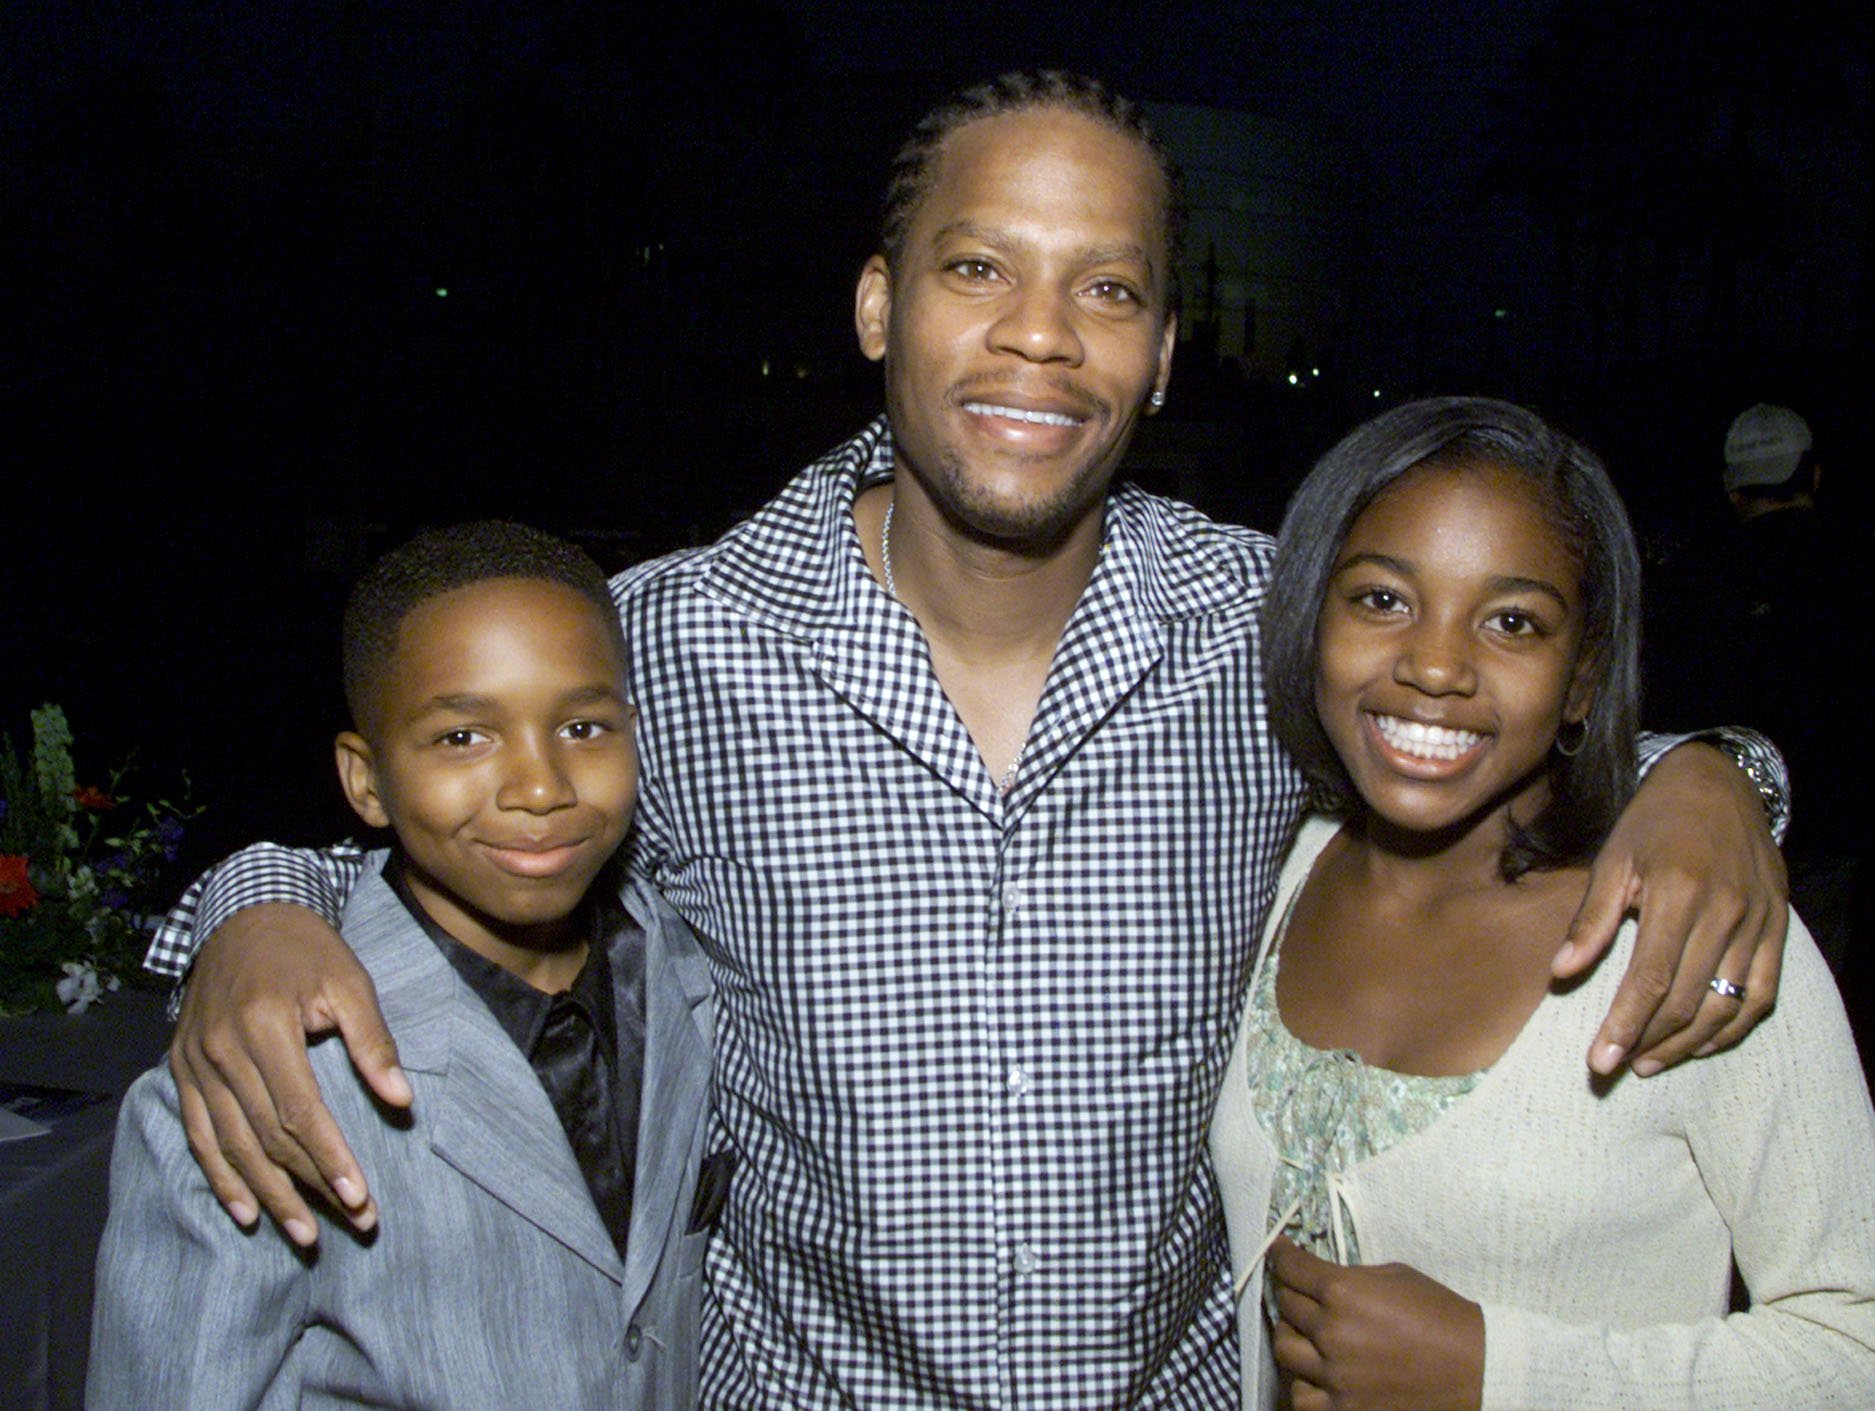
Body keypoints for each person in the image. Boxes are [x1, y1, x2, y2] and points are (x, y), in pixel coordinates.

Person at [147, 74, 1791, 1407]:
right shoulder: (672, 643)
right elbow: (420, 822)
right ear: (879, 304)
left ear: (1158, 355)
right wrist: (252, 915)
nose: (1039, 334)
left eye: (1109, 288)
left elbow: (1500, 721)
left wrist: (1717, 778)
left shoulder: (1264, 631)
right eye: (978, 266)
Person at [1212, 398, 1875, 1411]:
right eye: (1379, 599)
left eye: (1511, 621)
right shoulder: (1263, 876)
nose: (1432, 664)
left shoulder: (1686, 932)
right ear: (1307, 616)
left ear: (1582, 677)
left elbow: (1872, 1369)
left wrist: (1503, 1374)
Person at [89, 523, 717, 1409]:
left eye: (582, 725)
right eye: (463, 737)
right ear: (366, 780)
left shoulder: (696, 972)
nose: (540, 786)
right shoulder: (261, 1081)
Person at [1645, 403, 1875, 971]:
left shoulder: (1694, 574)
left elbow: (1664, 707)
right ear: (1813, 474)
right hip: (1842, 821)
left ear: (1731, 486)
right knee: (1819, 986)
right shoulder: (1871, 564)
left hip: (1729, 823)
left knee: (1719, 977)